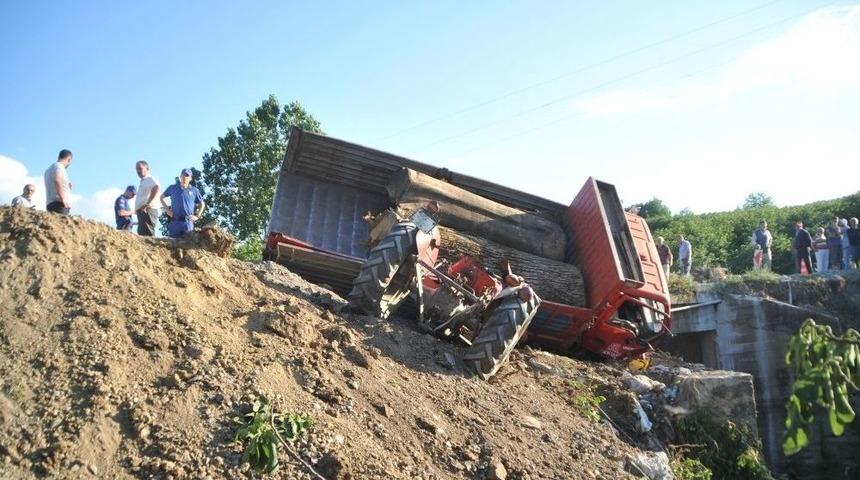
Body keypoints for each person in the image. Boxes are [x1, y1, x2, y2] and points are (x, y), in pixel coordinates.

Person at [161, 168, 205, 238]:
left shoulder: (194, 190)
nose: (185, 177)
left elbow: (202, 204)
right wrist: (167, 209)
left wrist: (197, 216)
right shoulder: (172, 188)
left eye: (187, 176)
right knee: (172, 243)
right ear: (180, 176)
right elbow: (161, 197)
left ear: (190, 178)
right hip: (175, 222)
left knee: (188, 243)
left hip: (187, 223)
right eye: (183, 175)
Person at [135, 160, 161, 237]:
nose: (138, 171)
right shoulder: (143, 181)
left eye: (140, 168)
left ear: (147, 169)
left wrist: (147, 204)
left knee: (148, 235)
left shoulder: (150, 179)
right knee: (142, 234)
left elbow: (156, 188)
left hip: (147, 211)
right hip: (142, 212)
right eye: (137, 169)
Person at [44, 149, 73, 214]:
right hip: (59, 204)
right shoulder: (59, 166)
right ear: (69, 159)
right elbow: (57, 180)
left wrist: (68, 187)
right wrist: (63, 198)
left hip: (50, 203)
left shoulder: (48, 170)